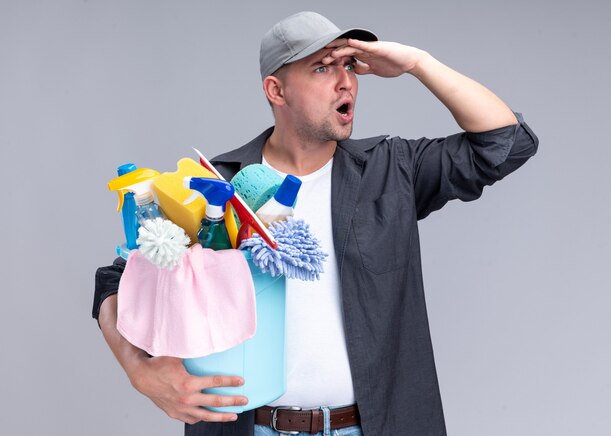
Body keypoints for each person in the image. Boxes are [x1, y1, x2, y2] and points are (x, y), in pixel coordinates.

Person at [93, 11, 538, 436]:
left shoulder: (392, 170)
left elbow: (506, 143)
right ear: (276, 90)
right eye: (323, 68)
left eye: (349, 65)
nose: (346, 81)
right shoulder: (216, 186)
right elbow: (117, 279)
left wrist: (418, 64)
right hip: (248, 428)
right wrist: (140, 370)